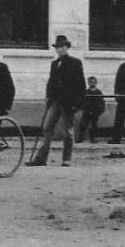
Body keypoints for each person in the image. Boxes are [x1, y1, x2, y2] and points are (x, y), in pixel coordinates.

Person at [29, 34, 84, 167]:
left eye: (62, 47)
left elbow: (81, 85)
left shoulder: (75, 63)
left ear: (67, 47)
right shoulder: (54, 64)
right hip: (55, 101)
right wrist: (48, 96)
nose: (60, 50)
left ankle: (66, 159)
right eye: (58, 47)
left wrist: (77, 104)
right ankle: (41, 159)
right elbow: (51, 82)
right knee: (47, 128)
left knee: (68, 131)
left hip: (68, 103)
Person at [74, 76, 106, 143]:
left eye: (94, 82)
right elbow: (82, 101)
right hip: (87, 111)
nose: (92, 83)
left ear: (96, 83)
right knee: (83, 125)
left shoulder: (99, 92)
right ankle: (80, 138)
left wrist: (100, 111)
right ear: (88, 83)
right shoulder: (86, 92)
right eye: (91, 82)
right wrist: (83, 109)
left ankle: (93, 139)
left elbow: (102, 102)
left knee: (94, 126)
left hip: (95, 112)